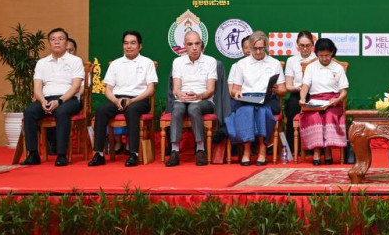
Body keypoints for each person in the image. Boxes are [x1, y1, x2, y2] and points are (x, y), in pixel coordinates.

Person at [88, 31, 157, 167]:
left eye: (133, 43)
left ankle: (133, 154)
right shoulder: (115, 64)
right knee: (101, 111)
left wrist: (133, 100)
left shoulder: (147, 63)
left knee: (132, 110)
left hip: (139, 100)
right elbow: (108, 89)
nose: (129, 46)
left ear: (140, 46)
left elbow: (150, 89)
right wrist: (115, 101)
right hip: (118, 99)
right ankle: (98, 154)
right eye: (126, 43)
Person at [21, 27, 84, 166]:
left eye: (60, 39)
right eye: (53, 39)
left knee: (61, 112)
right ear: (49, 43)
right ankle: (33, 154)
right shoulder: (42, 63)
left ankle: (61, 155)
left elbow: (75, 87)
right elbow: (37, 88)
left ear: (66, 42)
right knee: (29, 112)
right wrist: (42, 100)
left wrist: (59, 101)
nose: (57, 42)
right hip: (47, 98)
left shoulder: (75, 61)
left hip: (69, 99)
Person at [226, 30, 286, 166]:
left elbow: (283, 89)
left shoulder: (274, 63)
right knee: (246, 110)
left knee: (262, 110)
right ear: (250, 47)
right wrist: (236, 93)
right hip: (247, 99)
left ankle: (262, 149)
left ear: (265, 47)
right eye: (255, 48)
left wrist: (277, 89)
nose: (258, 52)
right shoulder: (241, 64)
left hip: (268, 99)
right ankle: (247, 150)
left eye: (261, 48)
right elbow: (235, 89)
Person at [165, 30, 218, 167]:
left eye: (197, 43)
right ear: (185, 46)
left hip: (204, 100)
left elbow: (211, 90)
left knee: (194, 108)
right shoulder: (178, 62)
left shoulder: (210, 61)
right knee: (177, 108)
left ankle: (200, 149)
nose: (194, 47)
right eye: (190, 44)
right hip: (183, 99)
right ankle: (174, 151)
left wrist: (198, 96)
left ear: (201, 44)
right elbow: (175, 89)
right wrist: (179, 95)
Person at [298, 38, 349, 166]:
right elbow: (305, 87)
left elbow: (343, 91)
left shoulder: (338, 68)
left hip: (333, 102)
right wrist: (303, 99)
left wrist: (338, 99)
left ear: (332, 53)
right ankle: (316, 151)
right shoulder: (311, 67)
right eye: (321, 55)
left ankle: (328, 150)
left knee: (329, 116)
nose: (324, 58)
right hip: (315, 102)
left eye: (327, 55)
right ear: (316, 54)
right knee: (314, 117)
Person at [283, 31, 317, 157]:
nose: (305, 48)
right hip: (297, 92)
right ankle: (293, 148)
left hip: (314, 93)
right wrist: (299, 88)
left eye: (308, 45)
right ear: (297, 45)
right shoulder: (292, 60)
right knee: (292, 106)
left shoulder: (317, 59)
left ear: (312, 45)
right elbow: (288, 86)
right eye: (301, 45)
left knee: (316, 109)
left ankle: (314, 148)